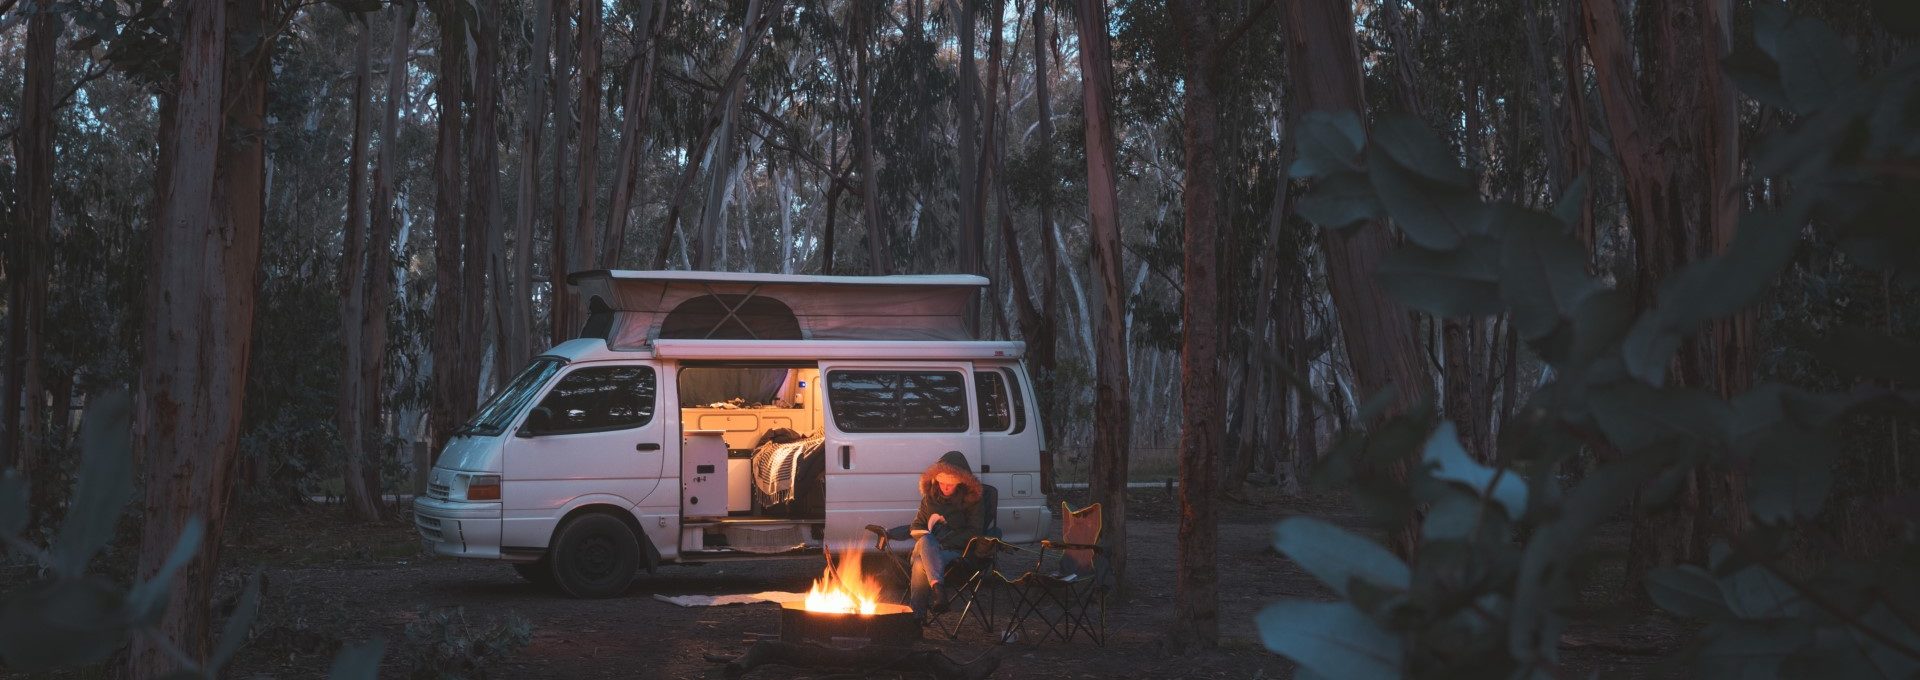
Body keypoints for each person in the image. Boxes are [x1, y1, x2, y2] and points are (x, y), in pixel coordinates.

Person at [908, 451, 985, 620]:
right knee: (927, 540)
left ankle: (916, 618)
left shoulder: (971, 499)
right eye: (942, 483)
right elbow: (916, 525)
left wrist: (945, 541)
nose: (945, 487)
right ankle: (939, 592)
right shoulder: (930, 498)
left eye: (950, 484)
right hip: (929, 546)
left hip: (956, 551)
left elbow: (975, 531)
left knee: (920, 564)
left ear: (960, 482)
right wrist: (926, 536)